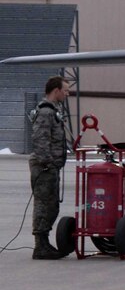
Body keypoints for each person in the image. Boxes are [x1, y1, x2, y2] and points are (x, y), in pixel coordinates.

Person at [28, 76, 70, 260]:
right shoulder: (46, 112)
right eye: (65, 90)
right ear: (56, 91)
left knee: (51, 205)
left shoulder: (53, 111)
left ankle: (44, 244)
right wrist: (47, 163)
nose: (67, 94)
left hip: (51, 167)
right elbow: (40, 139)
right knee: (44, 205)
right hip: (45, 167)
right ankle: (40, 246)